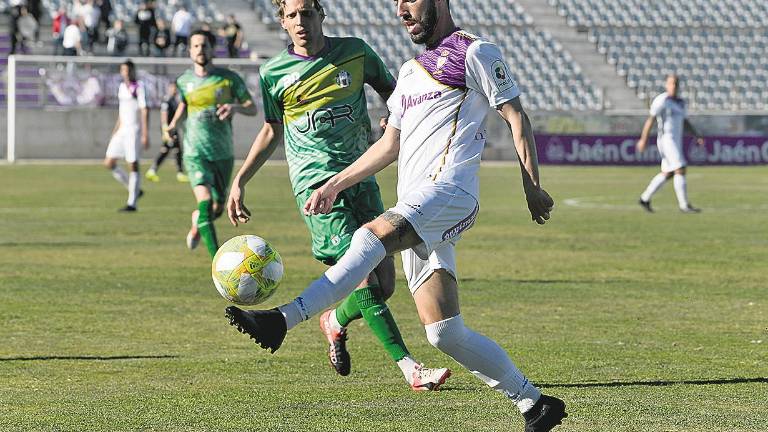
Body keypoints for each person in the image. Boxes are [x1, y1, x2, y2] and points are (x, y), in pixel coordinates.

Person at [224, 0, 567, 430]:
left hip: (450, 192)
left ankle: (282, 320)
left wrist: (531, 185)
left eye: (411, 0)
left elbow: (516, 116)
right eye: (397, 3)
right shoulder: (408, 72)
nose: (402, 10)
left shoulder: (475, 51)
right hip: (418, 203)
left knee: (369, 238)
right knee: (443, 332)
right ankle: (535, 404)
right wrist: (335, 184)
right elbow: (389, 147)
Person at [226, 0, 451, 390]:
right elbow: (271, 129)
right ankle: (410, 367)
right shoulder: (272, 73)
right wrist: (240, 179)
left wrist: (392, 117)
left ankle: (333, 320)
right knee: (364, 279)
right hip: (315, 188)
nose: (301, 22)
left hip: (360, 175)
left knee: (384, 285)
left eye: (308, 13)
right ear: (282, 21)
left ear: (321, 16)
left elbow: (397, 94)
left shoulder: (355, 51)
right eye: (292, 15)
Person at [167, 29, 257, 258]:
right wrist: (173, 124)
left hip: (223, 153)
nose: (200, 50)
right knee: (205, 200)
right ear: (189, 51)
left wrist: (234, 107)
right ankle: (217, 260)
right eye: (195, 46)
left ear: (211, 49)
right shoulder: (184, 81)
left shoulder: (229, 79)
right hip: (195, 152)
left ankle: (198, 221)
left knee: (216, 207)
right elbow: (185, 104)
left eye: (204, 45)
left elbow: (251, 107)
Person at [637, 74, 705, 213]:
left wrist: (696, 135)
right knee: (680, 168)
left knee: (668, 173)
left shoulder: (681, 102)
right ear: (666, 85)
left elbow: (684, 122)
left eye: (676, 84)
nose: (673, 86)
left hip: (676, 140)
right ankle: (684, 205)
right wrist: (644, 139)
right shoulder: (661, 100)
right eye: (671, 83)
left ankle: (645, 198)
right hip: (666, 140)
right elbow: (651, 120)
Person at [104, 60, 149, 212]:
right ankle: (135, 189)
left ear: (133, 71)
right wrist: (115, 130)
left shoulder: (139, 87)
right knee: (109, 162)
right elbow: (122, 111)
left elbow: (144, 110)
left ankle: (132, 203)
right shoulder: (122, 87)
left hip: (133, 130)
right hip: (122, 130)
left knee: (133, 164)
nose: (126, 73)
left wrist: (145, 133)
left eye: (129, 70)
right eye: (124, 70)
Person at [146, 82, 187, 182]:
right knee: (169, 149)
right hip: (168, 129)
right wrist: (165, 128)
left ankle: (179, 173)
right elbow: (164, 114)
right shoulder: (167, 100)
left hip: (172, 128)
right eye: (172, 88)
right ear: (169, 88)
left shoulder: (174, 100)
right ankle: (153, 171)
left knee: (172, 149)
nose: (174, 90)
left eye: (175, 88)